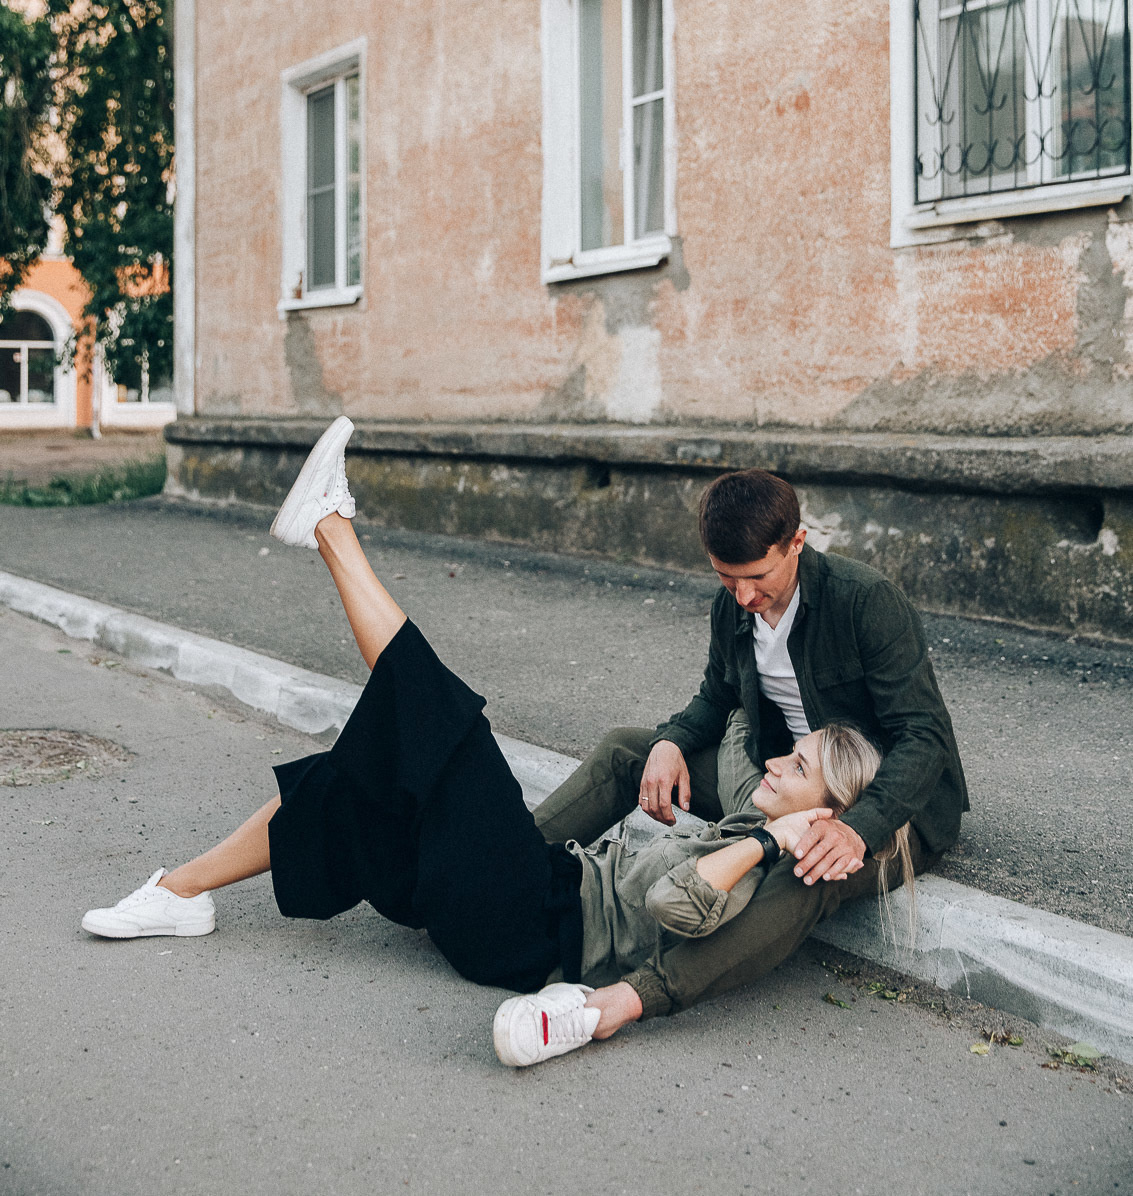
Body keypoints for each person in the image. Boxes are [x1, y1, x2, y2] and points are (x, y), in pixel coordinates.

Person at [79, 420, 916, 1069]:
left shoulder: (772, 856)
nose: (776, 757)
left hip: (532, 926)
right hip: (528, 890)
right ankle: (179, 893)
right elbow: (724, 710)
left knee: (443, 720)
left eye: (795, 766)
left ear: (823, 813)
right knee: (347, 781)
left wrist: (776, 838)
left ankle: (332, 528)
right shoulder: (746, 781)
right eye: (725, 580)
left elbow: (676, 907)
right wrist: (670, 742)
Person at [532, 466, 968, 1030]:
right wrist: (671, 741)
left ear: (797, 542)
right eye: (725, 577)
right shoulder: (733, 608)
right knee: (627, 752)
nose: (743, 595)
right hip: (787, 778)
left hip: (885, 804)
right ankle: (503, 862)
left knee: (809, 868)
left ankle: (630, 999)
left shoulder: (865, 601)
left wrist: (857, 829)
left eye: (758, 577)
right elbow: (718, 695)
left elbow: (923, 735)